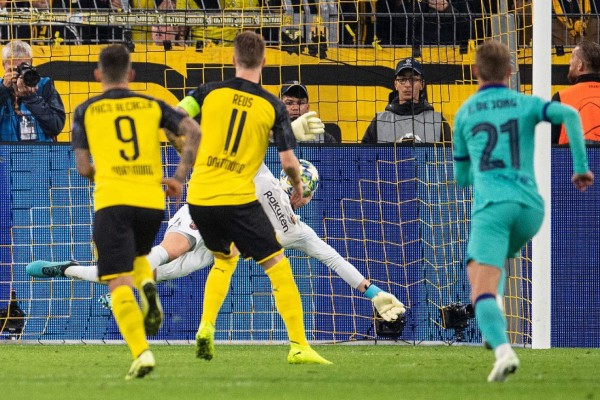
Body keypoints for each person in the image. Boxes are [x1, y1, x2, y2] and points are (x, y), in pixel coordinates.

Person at [26, 185, 406, 322]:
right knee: (168, 250)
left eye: (299, 190)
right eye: (291, 184)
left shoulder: (299, 231)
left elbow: (332, 257)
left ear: (306, 197)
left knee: (144, 272)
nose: (291, 193)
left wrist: (372, 293)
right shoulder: (263, 183)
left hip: (215, 249)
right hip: (201, 215)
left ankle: (70, 270)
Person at [181, 31, 334, 365]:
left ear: (233, 60)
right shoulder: (273, 106)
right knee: (278, 264)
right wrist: (295, 187)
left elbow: (176, 116)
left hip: (200, 196)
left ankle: (206, 326)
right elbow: (289, 162)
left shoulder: (207, 92)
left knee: (225, 258)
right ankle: (298, 346)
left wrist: (188, 148)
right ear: (264, 62)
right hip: (236, 198)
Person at [453, 40, 594, 382]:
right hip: (532, 210)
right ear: (511, 72)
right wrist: (580, 166)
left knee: (479, 285)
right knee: (502, 256)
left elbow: (461, 178)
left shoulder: (465, 113)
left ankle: (502, 351)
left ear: (474, 72)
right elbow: (569, 115)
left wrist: (478, 172)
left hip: (493, 207)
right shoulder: (524, 102)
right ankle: (496, 300)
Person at [70, 44, 200, 380]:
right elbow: (194, 131)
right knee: (141, 255)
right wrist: (179, 177)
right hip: (150, 201)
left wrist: (108, 173)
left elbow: (83, 168)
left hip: (113, 200)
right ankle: (149, 292)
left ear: (98, 75)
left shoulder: (85, 110)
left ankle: (141, 353)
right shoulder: (151, 104)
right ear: (131, 74)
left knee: (116, 280)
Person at [362, 58, 452, 144]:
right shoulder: (379, 121)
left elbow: (454, 156)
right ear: (395, 84)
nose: (408, 85)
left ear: (422, 84)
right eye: (402, 80)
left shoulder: (437, 121)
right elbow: (364, 157)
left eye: (413, 79)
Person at [0, 40, 65, 142]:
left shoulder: (44, 86)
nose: (18, 74)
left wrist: (32, 98)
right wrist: (3, 90)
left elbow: (56, 127)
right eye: (13, 69)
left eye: (23, 68)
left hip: (39, 155)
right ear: (4, 65)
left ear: (31, 62)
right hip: (5, 155)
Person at [551, 40, 600, 144]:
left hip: (571, 159)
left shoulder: (561, 98)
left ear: (580, 65)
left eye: (572, 57)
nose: (570, 62)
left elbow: (551, 144)